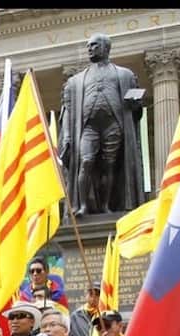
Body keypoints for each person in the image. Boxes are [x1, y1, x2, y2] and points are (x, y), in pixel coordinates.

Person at [58, 33, 145, 216]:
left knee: (109, 166)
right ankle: (81, 206)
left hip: (113, 125)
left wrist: (135, 104)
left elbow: (135, 109)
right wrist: (67, 136)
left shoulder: (124, 74)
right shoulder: (75, 82)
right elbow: (67, 112)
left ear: (106, 48)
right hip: (88, 127)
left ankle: (106, 206)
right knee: (86, 161)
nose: (90, 49)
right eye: (88, 46)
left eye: (94, 45)